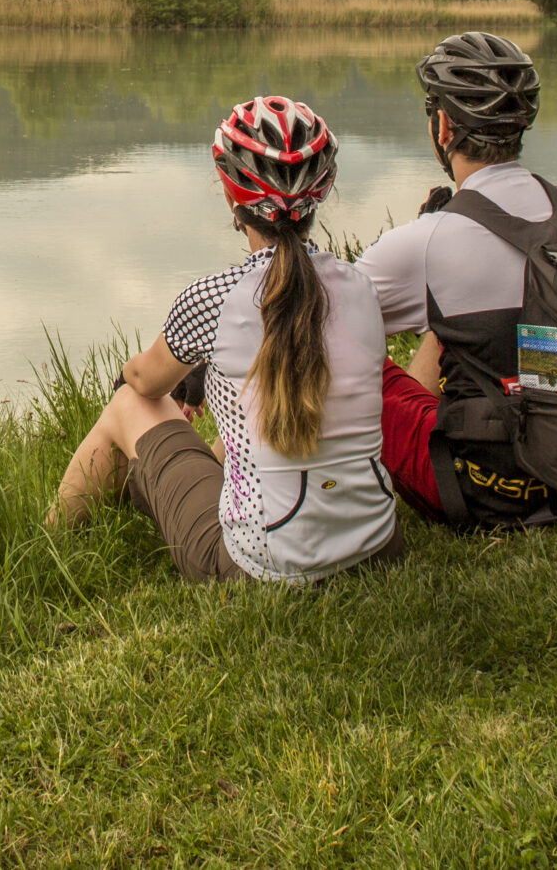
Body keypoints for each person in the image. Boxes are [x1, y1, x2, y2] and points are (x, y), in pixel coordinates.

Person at [46, 95, 406, 584]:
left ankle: (46, 547)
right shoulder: (362, 289)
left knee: (129, 404)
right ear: (322, 193)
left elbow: (146, 382)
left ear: (230, 194)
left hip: (260, 565)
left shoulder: (214, 298)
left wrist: (144, 377)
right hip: (377, 547)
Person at [360, 31, 557, 527]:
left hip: (481, 491)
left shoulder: (427, 239)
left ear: (442, 126)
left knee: (337, 353)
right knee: (505, 321)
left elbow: (310, 326)